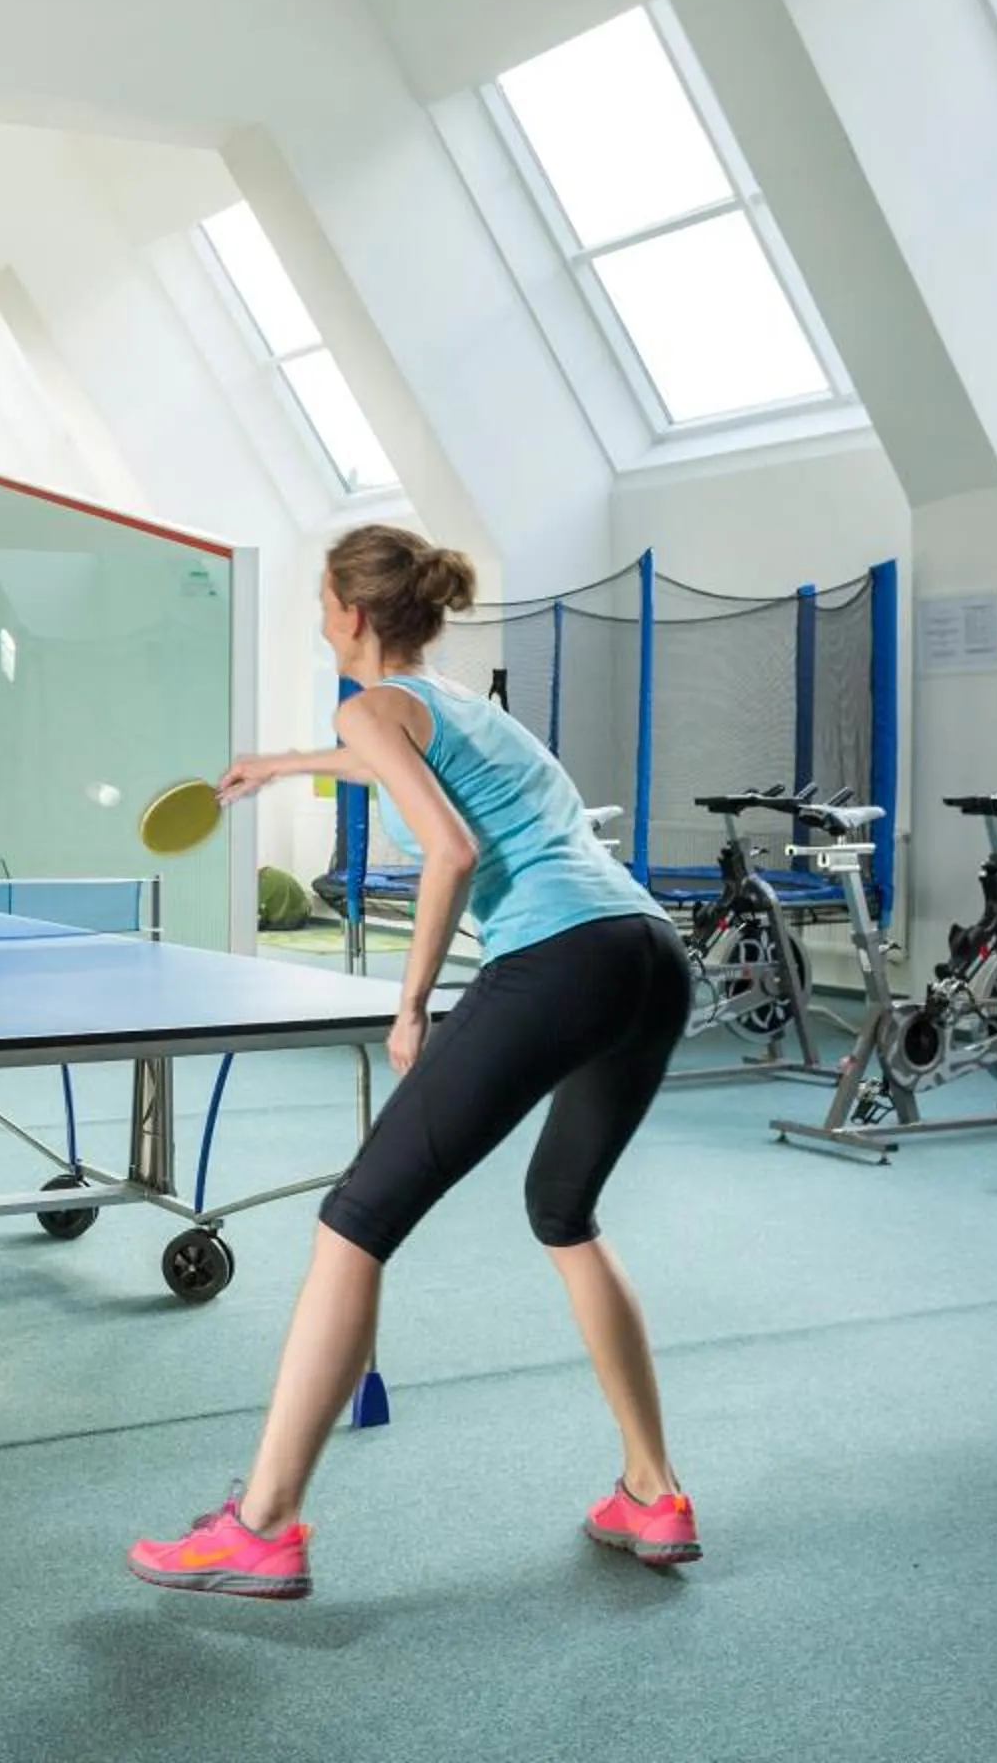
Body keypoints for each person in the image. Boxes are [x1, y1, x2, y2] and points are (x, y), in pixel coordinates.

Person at [125, 524, 697, 1600]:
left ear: (347, 611)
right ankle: (652, 1489)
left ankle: (262, 1522)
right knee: (564, 1214)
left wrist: (409, 1002)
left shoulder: (367, 702)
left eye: (317, 599)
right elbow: (398, 756)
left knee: (355, 1221)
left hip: (557, 957)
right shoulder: (465, 707)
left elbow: (452, 847)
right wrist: (285, 764)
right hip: (649, 955)